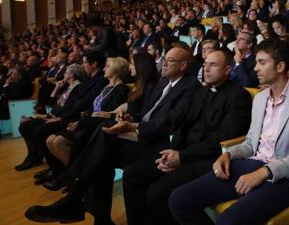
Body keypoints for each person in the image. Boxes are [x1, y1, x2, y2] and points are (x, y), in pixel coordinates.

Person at [24, 48, 202, 224]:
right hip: (141, 134)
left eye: (170, 60)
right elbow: (147, 113)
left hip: (158, 143)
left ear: (184, 65)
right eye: (165, 58)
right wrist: (130, 117)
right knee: (101, 156)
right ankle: (96, 216)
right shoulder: (163, 82)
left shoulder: (191, 85)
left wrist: (134, 125)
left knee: (102, 136)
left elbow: (171, 122)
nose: (164, 62)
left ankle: (74, 197)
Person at [169, 38, 289, 225]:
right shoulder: (260, 98)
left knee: (228, 221)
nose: (255, 68)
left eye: (262, 62)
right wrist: (229, 155)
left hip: (285, 175)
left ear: (281, 66)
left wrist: (265, 172)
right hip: (251, 164)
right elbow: (250, 142)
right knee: (178, 199)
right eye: (256, 62)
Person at [121, 49, 252, 225]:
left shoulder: (238, 96)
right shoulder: (201, 92)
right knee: (132, 174)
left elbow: (223, 138)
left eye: (213, 65)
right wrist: (173, 151)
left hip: (207, 159)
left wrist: (181, 157)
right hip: (183, 152)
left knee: (157, 193)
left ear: (228, 69)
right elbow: (183, 125)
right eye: (205, 64)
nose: (206, 69)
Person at [41, 57, 130, 189]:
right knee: (50, 140)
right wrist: (79, 120)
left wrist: (81, 121)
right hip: (88, 122)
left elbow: (107, 114)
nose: (104, 68)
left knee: (58, 142)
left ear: (116, 70)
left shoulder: (121, 88)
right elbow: (91, 109)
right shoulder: (105, 87)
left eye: (108, 66)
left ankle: (73, 179)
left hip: (98, 126)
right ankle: (71, 175)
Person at [15, 64, 86, 171]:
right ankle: (33, 156)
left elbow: (71, 109)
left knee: (38, 131)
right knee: (24, 126)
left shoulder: (78, 88)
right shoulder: (67, 87)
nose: (64, 74)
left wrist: (53, 117)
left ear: (71, 75)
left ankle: (54, 165)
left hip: (64, 119)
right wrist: (57, 88)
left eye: (66, 72)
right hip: (54, 116)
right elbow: (51, 103)